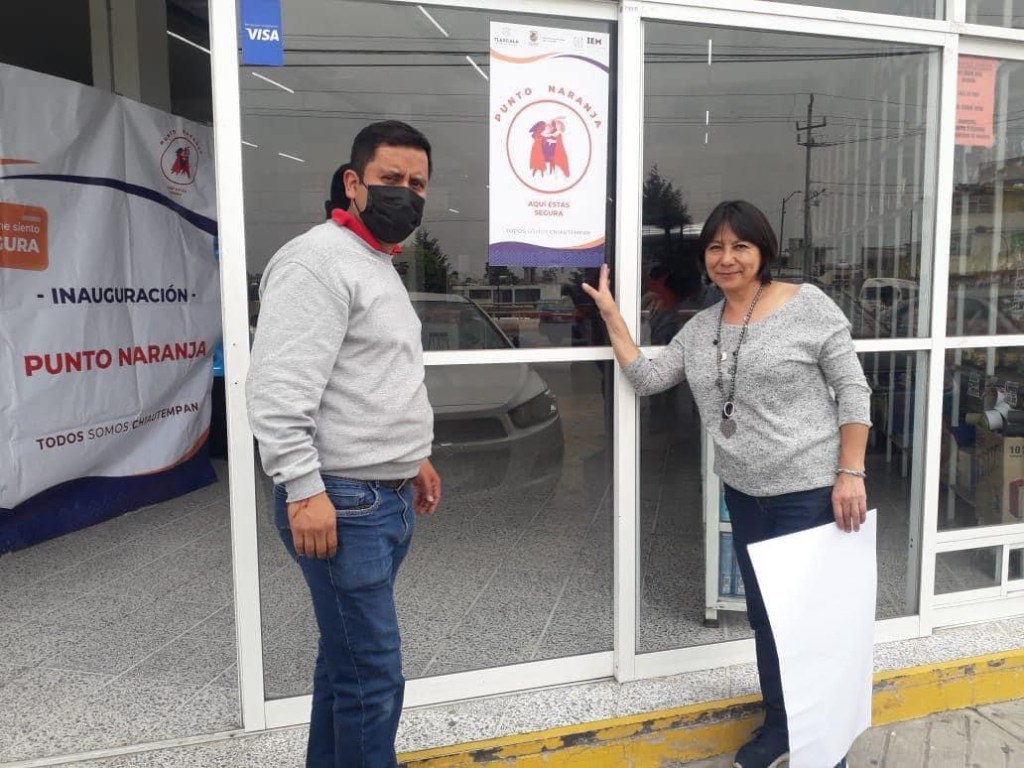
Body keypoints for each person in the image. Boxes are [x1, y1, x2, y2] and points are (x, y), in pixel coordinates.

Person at [583, 200, 870, 768]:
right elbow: (648, 378)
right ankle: (781, 726)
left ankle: (825, 744)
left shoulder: (807, 305)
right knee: (766, 618)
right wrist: (612, 315)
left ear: (764, 251)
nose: (727, 257)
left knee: (811, 626)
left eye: (741, 246)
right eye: (715, 247)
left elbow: (853, 390)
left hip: (810, 493)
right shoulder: (701, 327)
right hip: (744, 494)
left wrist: (850, 472)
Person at [247, 120, 442, 768]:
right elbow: (277, 390)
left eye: (418, 183)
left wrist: (412, 457)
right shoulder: (318, 261)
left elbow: (371, 376)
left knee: (347, 665)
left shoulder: (374, 262)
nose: (405, 193)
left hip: (382, 496)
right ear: (354, 183)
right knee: (374, 677)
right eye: (391, 178)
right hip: (342, 502)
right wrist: (302, 489)